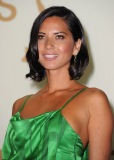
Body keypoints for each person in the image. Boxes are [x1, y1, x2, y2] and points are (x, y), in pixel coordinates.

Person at [2, 6, 113, 160]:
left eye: (59, 36)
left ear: (76, 46)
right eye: (41, 37)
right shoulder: (19, 105)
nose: (48, 45)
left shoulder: (94, 100)